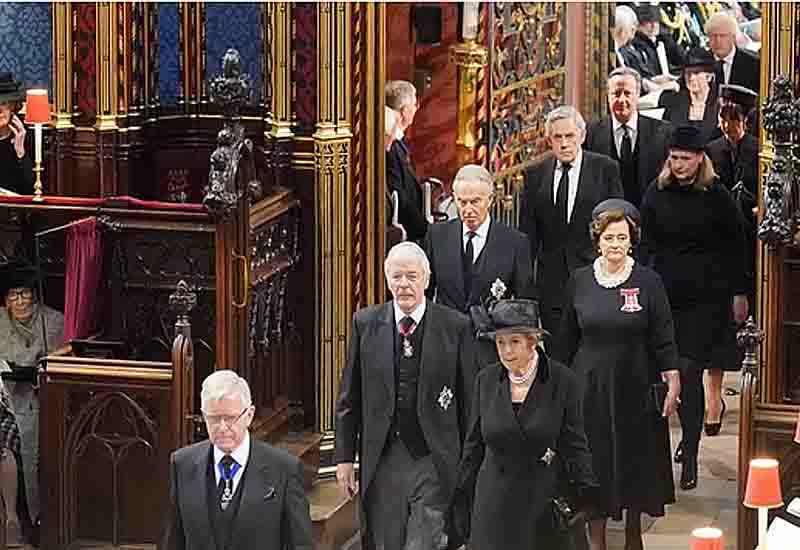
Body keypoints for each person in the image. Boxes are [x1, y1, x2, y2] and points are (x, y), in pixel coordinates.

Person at [554, 199, 681, 550]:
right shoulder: (579, 281)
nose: (615, 245)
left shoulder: (648, 281)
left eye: (621, 238)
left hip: (636, 386)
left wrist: (672, 378)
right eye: (609, 238)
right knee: (594, 462)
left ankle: (632, 536)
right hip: (589, 388)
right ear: (598, 240)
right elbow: (565, 339)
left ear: (631, 241)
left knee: (635, 461)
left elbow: (664, 333)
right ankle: (597, 541)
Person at [335, 242, 476, 550]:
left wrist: (469, 462)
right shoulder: (365, 324)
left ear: (426, 279)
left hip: (434, 457)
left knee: (426, 542)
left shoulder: (455, 326)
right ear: (387, 280)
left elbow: (469, 404)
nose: (404, 284)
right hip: (384, 457)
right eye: (397, 277)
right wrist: (345, 458)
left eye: (412, 276)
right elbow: (350, 397)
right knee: (387, 541)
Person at [640, 125, 749, 491]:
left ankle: (690, 450)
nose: (679, 165)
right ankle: (663, 450)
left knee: (688, 372)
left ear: (700, 158)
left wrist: (739, 293)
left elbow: (737, 247)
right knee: (664, 373)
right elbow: (645, 246)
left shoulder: (716, 195)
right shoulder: (656, 193)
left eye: (685, 159)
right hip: (664, 298)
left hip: (705, 301)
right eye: (674, 159)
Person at [449, 298, 598, 550]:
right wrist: (461, 496)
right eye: (500, 342)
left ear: (532, 342)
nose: (506, 351)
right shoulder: (485, 381)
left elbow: (575, 443)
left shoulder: (563, 381)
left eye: (514, 341)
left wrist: (587, 491)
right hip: (493, 502)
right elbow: (473, 446)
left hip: (541, 499)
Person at [161, 369, 313, 550]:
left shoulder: (284, 470)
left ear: (249, 415)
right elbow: (172, 541)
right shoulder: (182, 465)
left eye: (230, 418)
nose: (222, 427)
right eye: (214, 419)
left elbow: (301, 544)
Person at [520, 105, 623, 341]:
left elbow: (617, 227)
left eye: (570, 136)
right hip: (551, 283)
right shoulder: (534, 174)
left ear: (582, 136)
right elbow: (528, 234)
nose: (564, 143)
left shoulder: (605, 169)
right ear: (549, 140)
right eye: (558, 137)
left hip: (595, 277)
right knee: (557, 353)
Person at [704, 84, 760, 436]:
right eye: (723, 117)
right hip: (721, 251)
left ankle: (757, 391)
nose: (727, 125)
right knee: (717, 329)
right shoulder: (713, 151)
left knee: (754, 322)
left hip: (755, 248)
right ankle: (714, 400)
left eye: (734, 119)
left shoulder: (760, 151)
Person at [0, 260, 63, 543]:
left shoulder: (53, 321)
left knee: (38, 452)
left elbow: (62, 362)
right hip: (5, 402)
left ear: (34, 296)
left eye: (25, 294)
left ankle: (39, 522)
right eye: (13, 295)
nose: (20, 301)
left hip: (40, 402)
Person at [425, 164, 532, 314]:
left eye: (475, 202)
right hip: (447, 334)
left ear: (490, 200)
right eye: (462, 202)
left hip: (490, 334)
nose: (468, 210)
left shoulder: (515, 243)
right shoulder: (436, 236)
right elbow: (426, 294)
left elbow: (524, 307)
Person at [584, 67, 672, 207]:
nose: (621, 99)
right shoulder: (590, 133)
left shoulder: (663, 132)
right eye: (616, 93)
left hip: (650, 215)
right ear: (608, 95)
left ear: (638, 95)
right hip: (607, 217)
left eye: (627, 93)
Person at [386, 80, 428, 243]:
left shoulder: (399, 144)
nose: (417, 108)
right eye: (414, 103)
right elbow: (398, 192)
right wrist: (423, 229)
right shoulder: (391, 149)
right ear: (404, 111)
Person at [659, 48, 720, 141]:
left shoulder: (720, 103)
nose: (691, 77)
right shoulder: (673, 101)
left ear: (709, 77)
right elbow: (664, 136)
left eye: (696, 73)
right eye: (688, 73)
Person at [630, 5, 686, 89]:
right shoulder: (635, 45)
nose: (654, 26)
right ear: (638, 26)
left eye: (656, 22)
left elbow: (681, 58)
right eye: (648, 22)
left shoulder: (663, 39)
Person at [706, 12, 760, 94]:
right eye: (713, 36)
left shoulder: (754, 63)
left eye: (723, 36)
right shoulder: (701, 63)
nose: (718, 41)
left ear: (733, 37)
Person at [0, 72, 33, 195]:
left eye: (3, 103)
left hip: (16, 211)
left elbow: (32, 190)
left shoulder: (28, 138)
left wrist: (20, 152)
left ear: (13, 106)